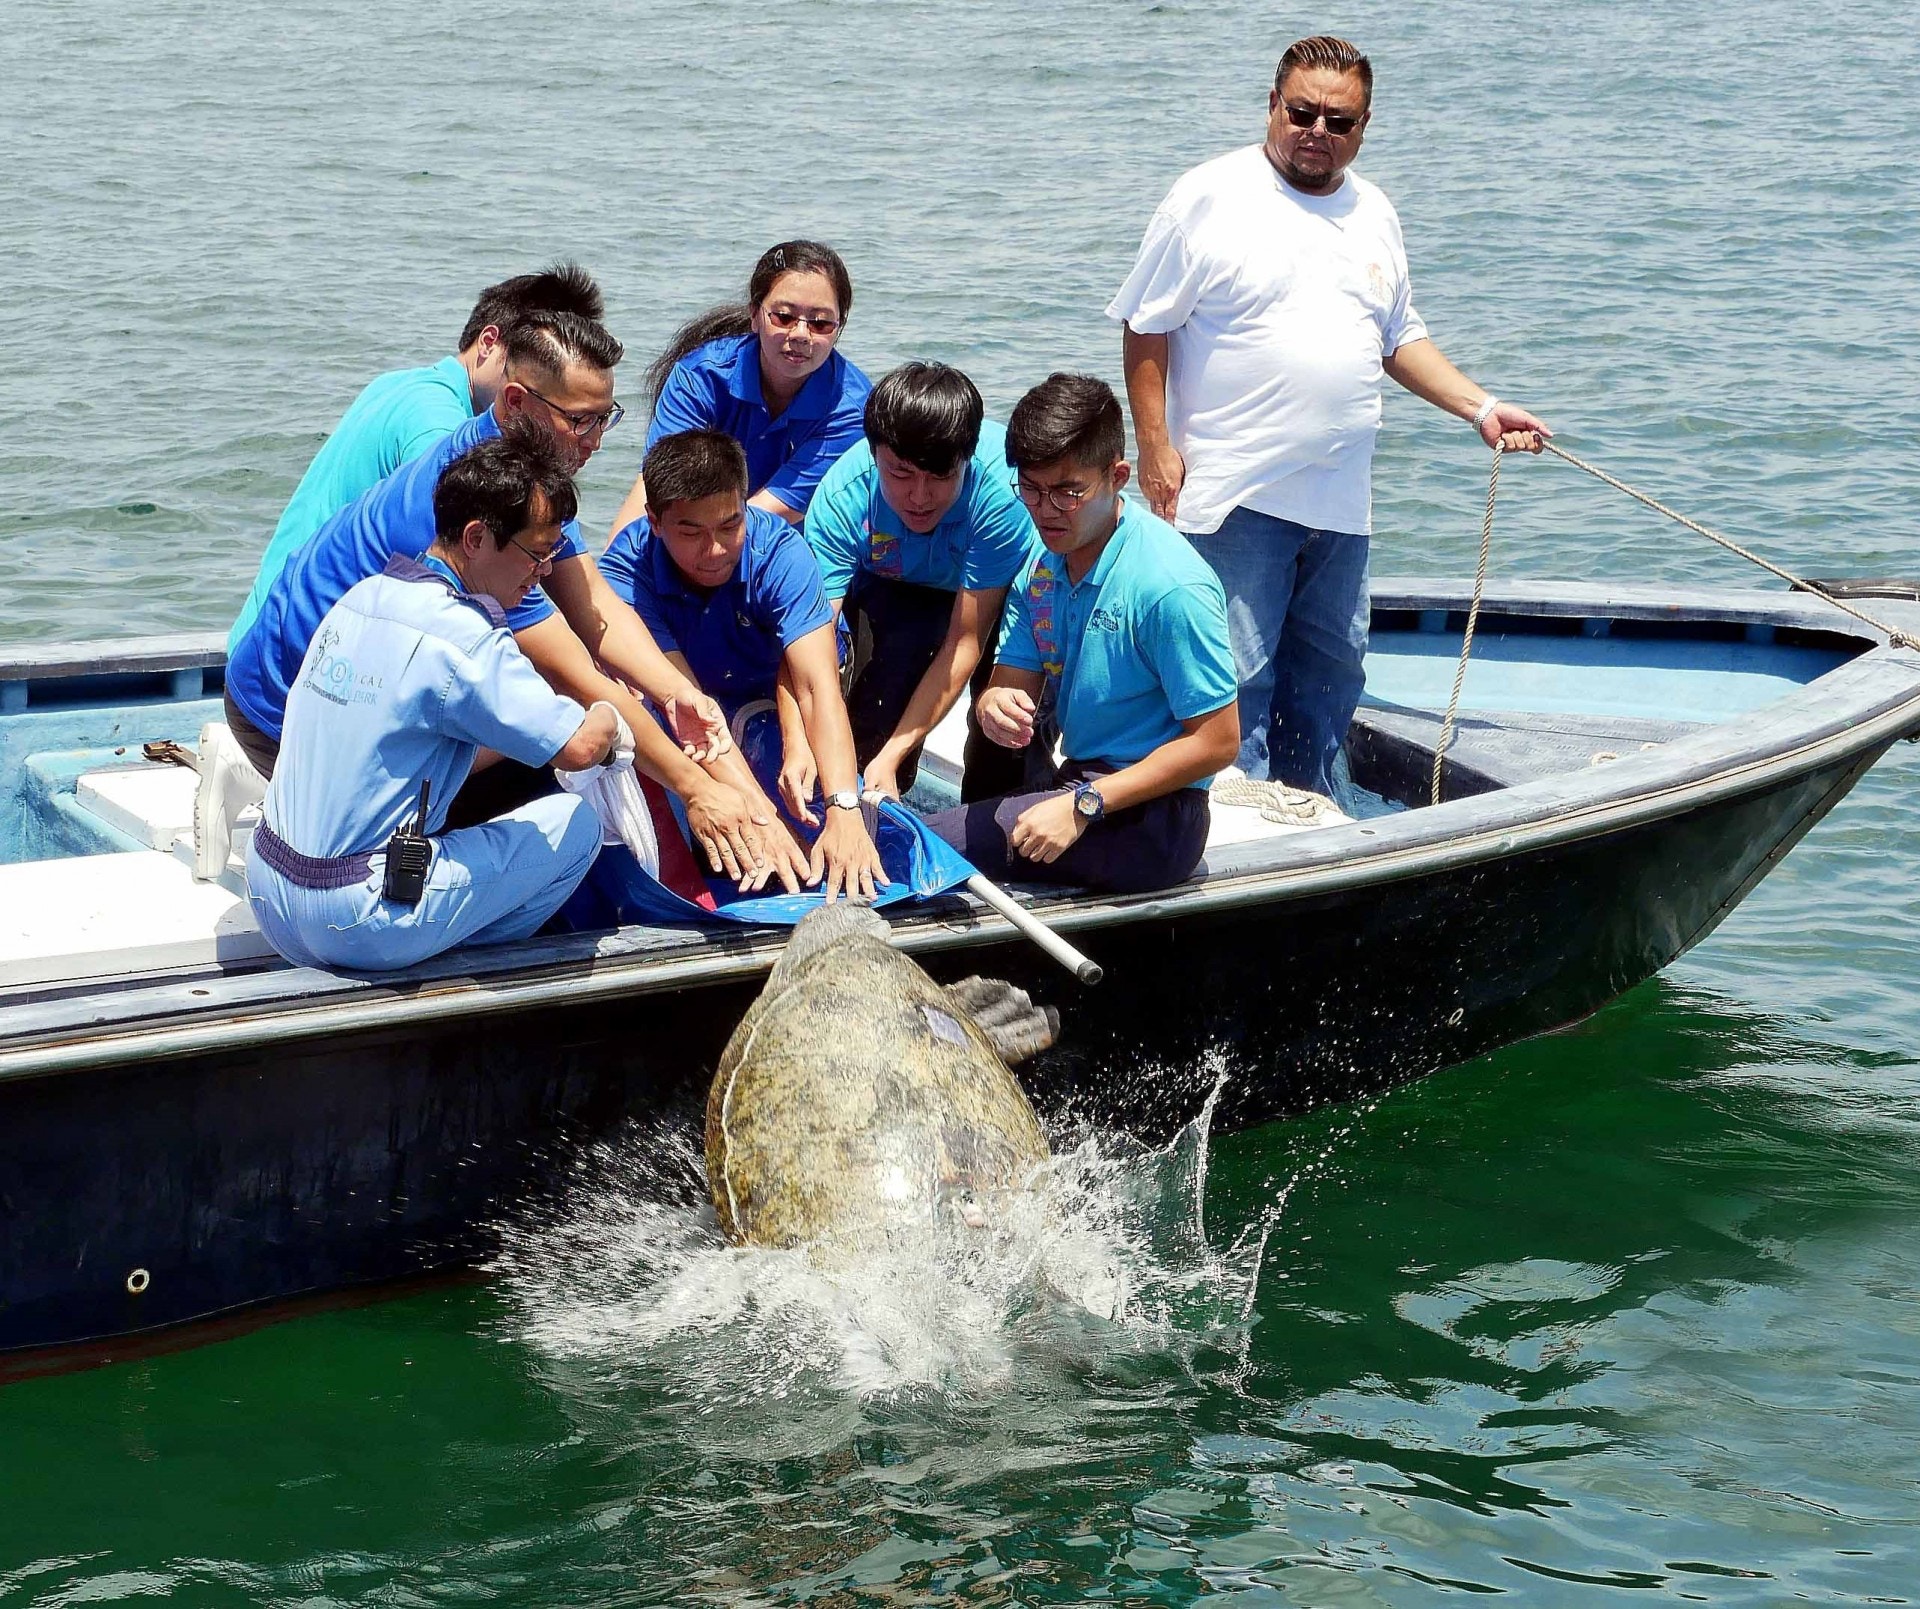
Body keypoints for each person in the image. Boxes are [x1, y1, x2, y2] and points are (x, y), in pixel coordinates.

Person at [1108, 34, 1552, 798]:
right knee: (1232, 678)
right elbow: (1145, 325)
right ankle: (1221, 830)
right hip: (1233, 497)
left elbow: (1398, 338)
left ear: (1364, 125)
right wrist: (1153, 445)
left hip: (1342, 508)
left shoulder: (1374, 210)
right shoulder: (1208, 196)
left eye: (1338, 121)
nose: (1318, 131)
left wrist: (1479, 407)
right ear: (1272, 106)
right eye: (1303, 111)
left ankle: (1308, 819)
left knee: (1330, 677)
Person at [225, 311, 768, 883]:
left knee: (568, 726)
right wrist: (695, 787)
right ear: (514, 402)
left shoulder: (527, 473)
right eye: (580, 423)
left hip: (338, 683)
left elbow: (595, 607)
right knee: (554, 771)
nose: (596, 443)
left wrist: (675, 692)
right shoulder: (483, 511)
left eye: (605, 419)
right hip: (282, 711)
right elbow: (573, 675)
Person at [247, 431, 623, 972]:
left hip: (269, 892)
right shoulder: (466, 638)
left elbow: (424, 745)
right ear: (476, 538)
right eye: (537, 555)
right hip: (359, 919)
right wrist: (610, 716)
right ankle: (460, 964)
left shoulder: (359, 599)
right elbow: (581, 748)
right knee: (577, 823)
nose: (542, 576)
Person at [930, 375, 1240, 894]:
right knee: (941, 831)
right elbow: (1011, 680)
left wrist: (1083, 806)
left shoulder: (1168, 585)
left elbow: (1218, 741)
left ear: (1118, 476)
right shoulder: (1045, 562)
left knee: (921, 848)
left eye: (1068, 492)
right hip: (1081, 780)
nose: (1044, 509)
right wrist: (994, 705)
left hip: (1159, 816)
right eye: (1029, 487)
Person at [228, 264, 604, 651]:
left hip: (272, 633)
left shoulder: (400, 384)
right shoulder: (436, 424)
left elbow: (579, 582)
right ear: (489, 341)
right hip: (299, 651)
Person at [600, 429, 889, 903]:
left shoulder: (779, 552)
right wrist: (761, 818)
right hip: (688, 697)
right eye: (691, 532)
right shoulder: (625, 575)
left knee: (828, 810)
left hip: (780, 685)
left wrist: (845, 809)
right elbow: (684, 706)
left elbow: (816, 687)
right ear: (654, 521)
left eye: (729, 527)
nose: (714, 551)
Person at [802, 362, 1040, 803]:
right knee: (870, 721)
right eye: (901, 474)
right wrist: (802, 745)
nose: (919, 497)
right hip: (891, 584)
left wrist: (894, 754)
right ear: (874, 455)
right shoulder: (842, 499)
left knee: (1009, 729)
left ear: (966, 461)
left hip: (993, 589)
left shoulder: (1002, 497)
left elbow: (965, 640)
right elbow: (809, 645)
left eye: (940, 476)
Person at [604, 241, 871, 538]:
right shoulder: (699, 377)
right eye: (783, 317)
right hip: (696, 534)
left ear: (839, 326)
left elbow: (772, 510)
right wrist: (612, 572)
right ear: (755, 315)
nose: (800, 334)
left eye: (820, 323)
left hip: (788, 546)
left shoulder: (853, 410)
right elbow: (656, 487)